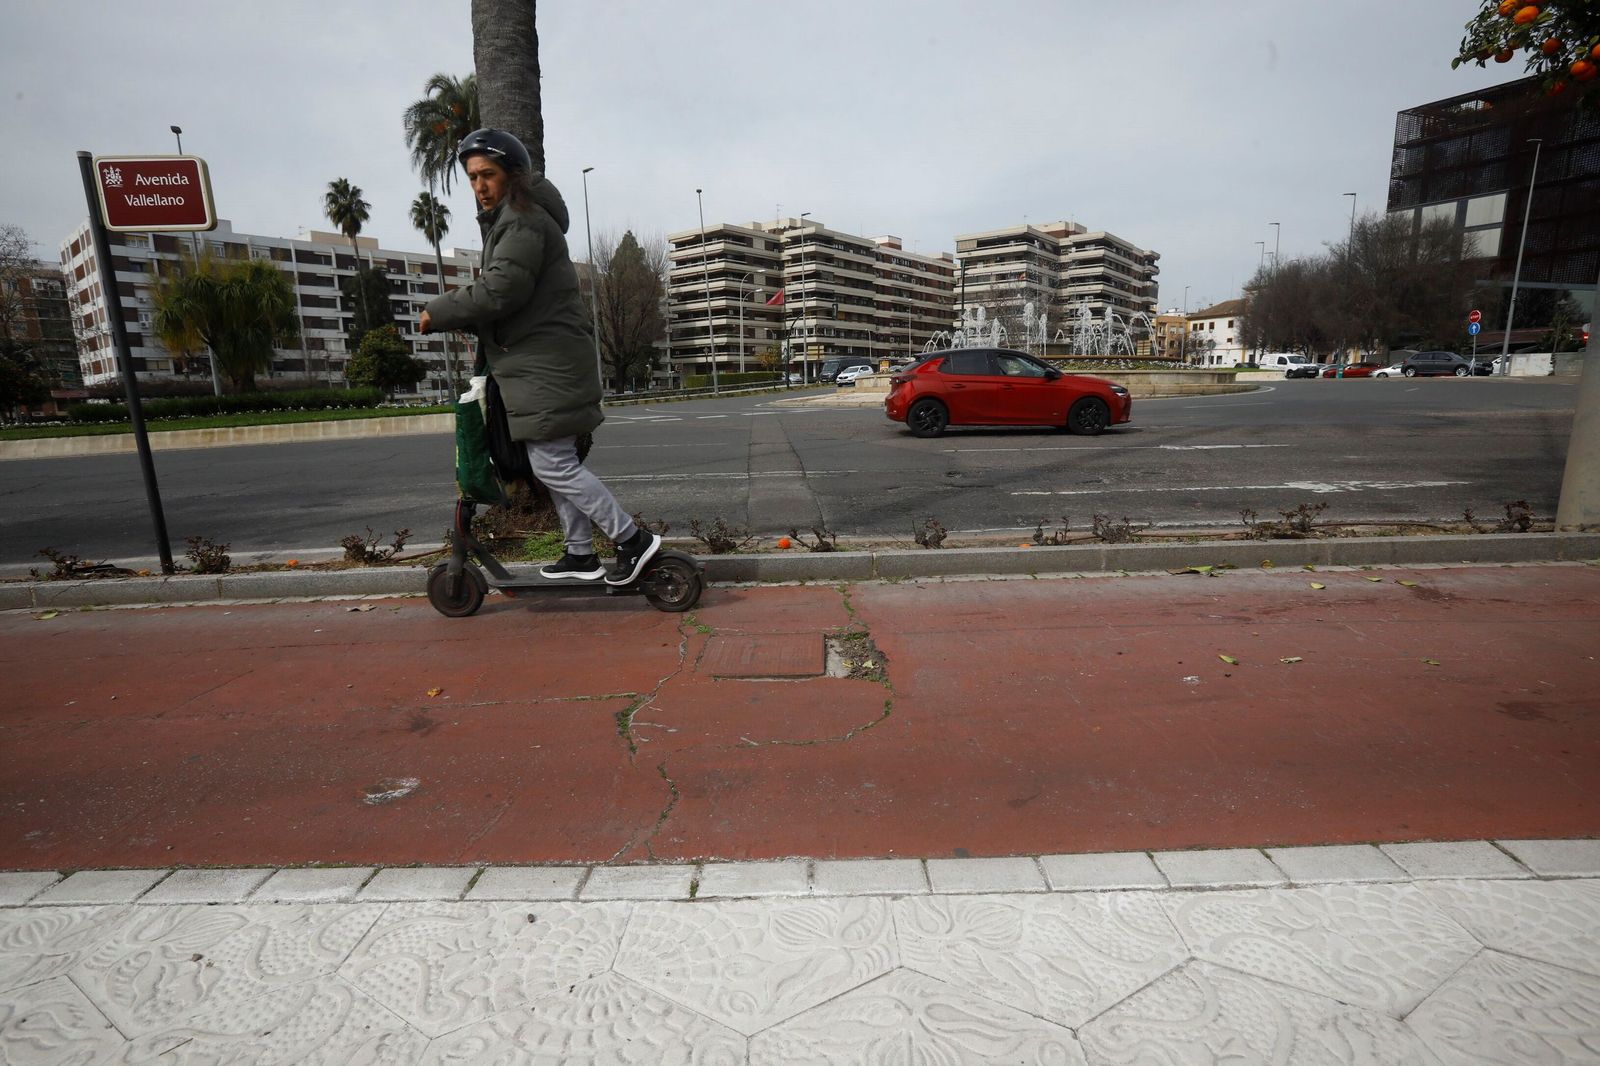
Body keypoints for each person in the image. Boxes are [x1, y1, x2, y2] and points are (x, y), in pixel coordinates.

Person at [420, 129, 660, 586]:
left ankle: (632, 539)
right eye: (472, 178)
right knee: (555, 463)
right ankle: (580, 553)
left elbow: (502, 289)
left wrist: (440, 310)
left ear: (512, 174)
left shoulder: (521, 220)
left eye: (488, 174)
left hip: (547, 364)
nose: (480, 186)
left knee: (552, 464)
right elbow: (515, 299)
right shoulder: (517, 217)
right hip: (545, 361)